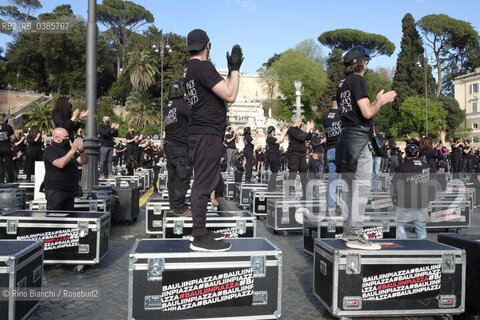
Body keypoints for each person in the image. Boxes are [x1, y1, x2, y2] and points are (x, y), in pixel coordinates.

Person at [183, 28, 243, 251]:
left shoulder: (190, 68)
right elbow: (230, 95)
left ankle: (201, 230)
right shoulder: (202, 66)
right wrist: (235, 70)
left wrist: (229, 73)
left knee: (207, 181)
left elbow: (220, 92)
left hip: (201, 133)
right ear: (208, 45)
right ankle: (199, 235)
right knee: (202, 184)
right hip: (207, 134)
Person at [335, 46, 396, 250]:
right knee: (361, 189)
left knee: (350, 190)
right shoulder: (357, 80)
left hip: (344, 139)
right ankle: (355, 234)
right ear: (360, 63)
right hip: (359, 140)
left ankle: (347, 230)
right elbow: (367, 112)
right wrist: (380, 102)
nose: (368, 65)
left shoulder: (342, 83)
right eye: (366, 61)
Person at [391, 144, 434, 239]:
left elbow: (395, 186)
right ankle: (421, 249)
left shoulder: (401, 167)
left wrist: (395, 199)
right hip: (422, 202)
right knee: (421, 227)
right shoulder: (426, 166)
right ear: (418, 153)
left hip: (405, 202)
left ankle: (405, 247)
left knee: (399, 226)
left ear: (405, 154)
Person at [164, 81, 193, 216]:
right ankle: (180, 207)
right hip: (180, 146)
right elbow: (193, 120)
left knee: (173, 177)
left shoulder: (168, 107)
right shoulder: (182, 105)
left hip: (169, 145)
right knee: (183, 176)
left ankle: (173, 206)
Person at [42, 127, 88, 210]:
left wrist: (81, 151)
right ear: (57, 138)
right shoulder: (50, 150)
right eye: (66, 137)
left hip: (70, 189)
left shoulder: (69, 149)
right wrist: (73, 150)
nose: (68, 138)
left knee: (69, 218)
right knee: (55, 217)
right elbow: (60, 164)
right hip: (56, 190)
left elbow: (83, 161)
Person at [322, 94, 342, 215]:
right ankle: (345, 207)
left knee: (332, 180)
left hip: (330, 149)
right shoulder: (343, 115)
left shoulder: (324, 116)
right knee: (345, 179)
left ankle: (330, 208)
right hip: (341, 149)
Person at [287, 115, 314, 199]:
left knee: (304, 174)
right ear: (297, 121)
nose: (301, 123)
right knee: (293, 174)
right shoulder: (291, 129)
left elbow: (307, 138)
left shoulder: (299, 130)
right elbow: (301, 137)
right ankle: (289, 193)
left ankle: (305, 195)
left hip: (302, 154)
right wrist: (306, 129)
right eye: (300, 121)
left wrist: (310, 130)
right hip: (293, 154)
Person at [266, 126, 288, 192]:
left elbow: (281, 141)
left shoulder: (269, 138)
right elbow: (280, 140)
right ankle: (271, 188)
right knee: (274, 173)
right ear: (272, 131)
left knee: (274, 172)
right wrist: (283, 133)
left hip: (273, 157)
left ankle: (272, 187)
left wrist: (284, 134)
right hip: (273, 157)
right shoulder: (270, 138)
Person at [0, 113, 14, 183]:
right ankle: (10, 180)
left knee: (0, 166)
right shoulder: (8, 127)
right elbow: (12, 137)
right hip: (6, 147)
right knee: (8, 164)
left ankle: (1, 181)